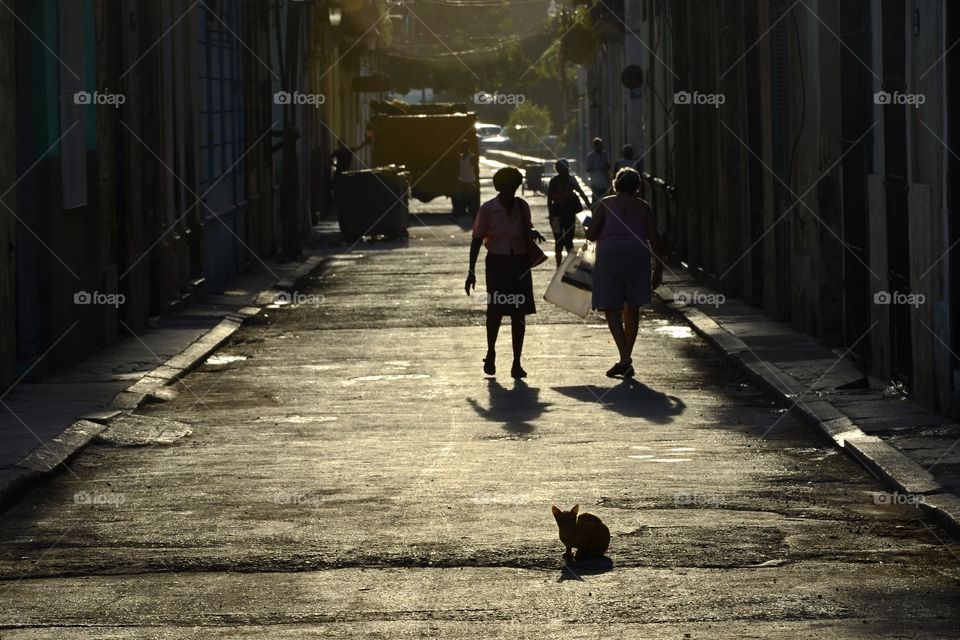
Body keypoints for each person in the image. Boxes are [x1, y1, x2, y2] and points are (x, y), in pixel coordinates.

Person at [466, 167, 546, 379]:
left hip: (519, 264)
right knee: (495, 311)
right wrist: (471, 270)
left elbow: (525, 228)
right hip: (497, 264)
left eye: (514, 185)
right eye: (508, 185)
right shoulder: (488, 209)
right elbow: (476, 239)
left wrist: (531, 232)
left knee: (518, 315)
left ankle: (516, 362)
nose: (512, 190)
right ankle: (491, 351)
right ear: (499, 187)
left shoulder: (522, 206)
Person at [585, 167, 663, 378]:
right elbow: (654, 238)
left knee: (612, 309)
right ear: (637, 186)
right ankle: (625, 359)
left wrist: (589, 228)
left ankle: (625, 359)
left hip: (610, 258)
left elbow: (591, 235)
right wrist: (659, 268)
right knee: (632, 309)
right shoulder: (644, 207)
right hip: (638, 259)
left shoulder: (606, 204)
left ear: (615, 184)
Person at [546, 159, 590, 267]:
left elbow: (549, 201)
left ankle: (560, 265)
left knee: (560, 241)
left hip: (558, 215)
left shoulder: (554, 181)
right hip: (566, 214)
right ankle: (566, 265)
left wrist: (551, 215)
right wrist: (590, 206)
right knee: (566, 240)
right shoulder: (571, 180)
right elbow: (582, 193)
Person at [453, 140, 480, 218]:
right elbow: (459, 169)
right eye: (462, 147)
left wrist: (476, 180)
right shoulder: (460, 157)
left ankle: (474, 215)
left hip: (470, 181)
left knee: (471, 198)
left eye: (465, 147)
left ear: (468, 148)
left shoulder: (472, 157)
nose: (463, 149)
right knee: (461, 198)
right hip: (462, 181)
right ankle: (459, 213)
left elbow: (476, 169)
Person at [584, 137, 611, 204]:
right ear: (595, 146)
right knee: (596, 199)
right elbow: (587, 168)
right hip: (595, 182)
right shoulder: (591, 156)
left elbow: (608, 165)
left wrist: (605, 167)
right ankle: (595, 212)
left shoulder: (604, 154)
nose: (600, 148)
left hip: (604, 182)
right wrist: (595, 168)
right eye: (598, 146)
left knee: (604, 199)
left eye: (601, 146)